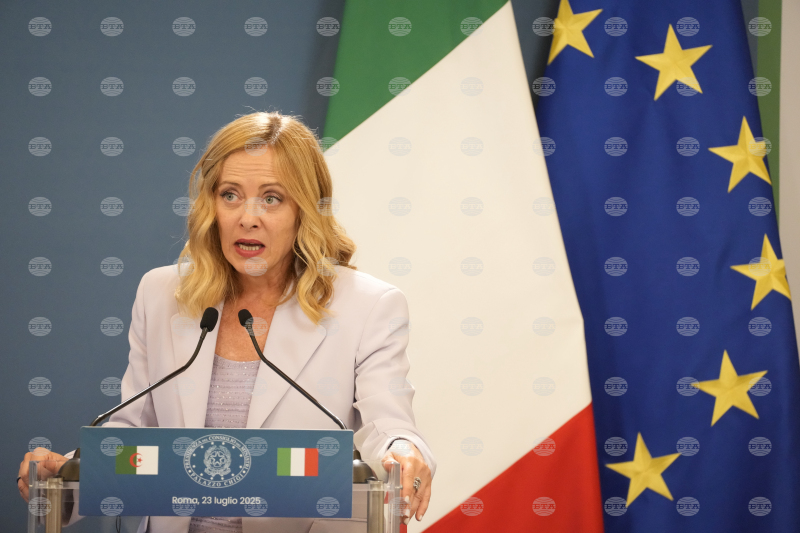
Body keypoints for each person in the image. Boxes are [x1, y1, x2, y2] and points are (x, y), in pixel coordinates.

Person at [18, 111, 435, 533]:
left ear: (305, 209)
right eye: (230, 195)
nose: (247, 217)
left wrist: (404, 451)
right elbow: (133, 435)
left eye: (271, 198)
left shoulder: (368, 306)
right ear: (211, 205)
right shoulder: (161, 294)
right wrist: (66, 477)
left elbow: (388, 424)